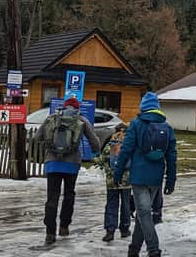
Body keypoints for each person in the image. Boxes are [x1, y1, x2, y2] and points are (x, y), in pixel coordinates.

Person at [113, 92, 177, 257]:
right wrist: (171, 179)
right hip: (156, 177)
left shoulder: (136, 124)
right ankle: (133, 250)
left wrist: (118, 172)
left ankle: (153, 250)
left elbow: (126, 150)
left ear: (143, 107)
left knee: (144, 213)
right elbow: (171, 155)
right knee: (144, 213)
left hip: (139, 176)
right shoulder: (167, 127)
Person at [34, 96, 101, 245]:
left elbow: (37, 137)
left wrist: (49, 146)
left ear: (64, 107)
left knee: (52, 197)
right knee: (69, 194)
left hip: (52, 163)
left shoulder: (52, 117)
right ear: (77, 108)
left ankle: (50, 233)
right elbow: (94, 141)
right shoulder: (81, 120)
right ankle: (64, 226)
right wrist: (97, 152)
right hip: (72, 164)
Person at [94, 123, 132, 241]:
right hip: (127, 181)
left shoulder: (111, 143)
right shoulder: (130, 143)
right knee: (126, 204)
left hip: (112, 181)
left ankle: (110, 230)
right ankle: (125, 229)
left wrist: (101, 164)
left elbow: (102, 160)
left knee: (111, 204)